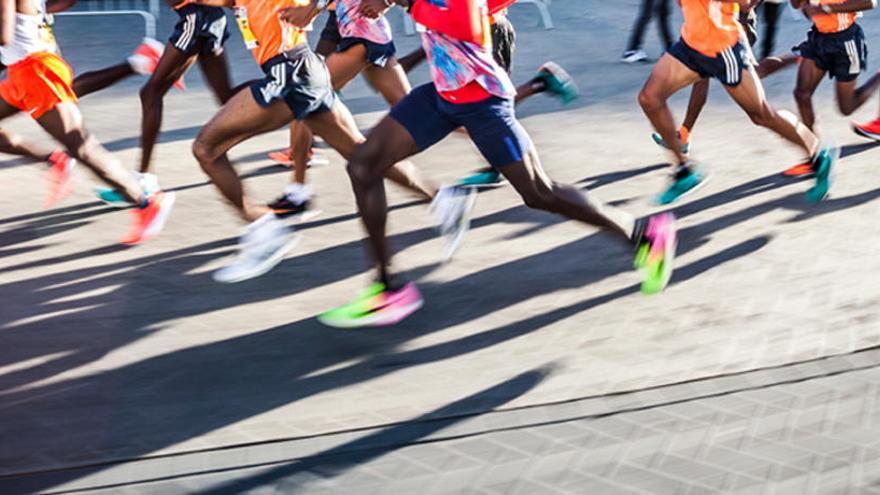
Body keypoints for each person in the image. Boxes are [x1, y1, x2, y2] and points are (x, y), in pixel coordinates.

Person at [299, 0, 678, 328]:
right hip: (443, 93)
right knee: (364, 166)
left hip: (481, 99)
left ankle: (644, 234)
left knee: (539, 193)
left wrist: (404, 2)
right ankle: (389, 288)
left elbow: (467, 24)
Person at [184, 0, 469, 284]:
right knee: (361, 154)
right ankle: (445, 200)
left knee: (206, 148)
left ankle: (264, 228)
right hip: (308, 72)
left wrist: (314, 8)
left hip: (290, 73)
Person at [0, 0, 174, 243]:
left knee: (83, 148)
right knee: (78, 144)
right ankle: (53, 160)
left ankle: (147, 203)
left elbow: (4, 36)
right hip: (23, 69)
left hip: (36, 72)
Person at [638, 0, 836, 206]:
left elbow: (745, 4)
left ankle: (818, 155)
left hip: (724, 49)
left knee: (762, 115)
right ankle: (683, 171)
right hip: (691, 44)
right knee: (650, 98)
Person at [266, 0, 438, 219]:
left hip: (360, 28)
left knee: (304, 98)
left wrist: (311, 9)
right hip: (347, 21)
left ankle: (298, 191)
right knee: (417, 112)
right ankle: (298, 188)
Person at [394, 7, 579, 188]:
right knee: (479, 106)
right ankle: (498, 163)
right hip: (463, 31)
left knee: (485, 103)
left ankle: (538, 84)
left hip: (484, 30)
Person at [95, 0, 235, 206]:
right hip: (208, 18)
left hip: (196, 19)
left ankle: (144, 181)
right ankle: (287, 95)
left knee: (151, 93)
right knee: (228, 98)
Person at [649, 1, 799, 167]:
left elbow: (747, 5)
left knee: (756, 75)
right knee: (701, 79)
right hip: (712, 28)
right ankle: (684, 135)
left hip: (736, 25)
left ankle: (797, 57)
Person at [0, 35, 163, 177]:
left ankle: (140, 197)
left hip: (31, 54)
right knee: (66, 93)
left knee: (64, 98)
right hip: (28, 49)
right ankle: (139, 63)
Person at [784, 0, 879, 176]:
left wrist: (825, 8)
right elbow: (798, 6)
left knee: (846, 108)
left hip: (846, 42)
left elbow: (870, 2)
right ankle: (815, 156)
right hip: (819, 38)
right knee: (802, 94)